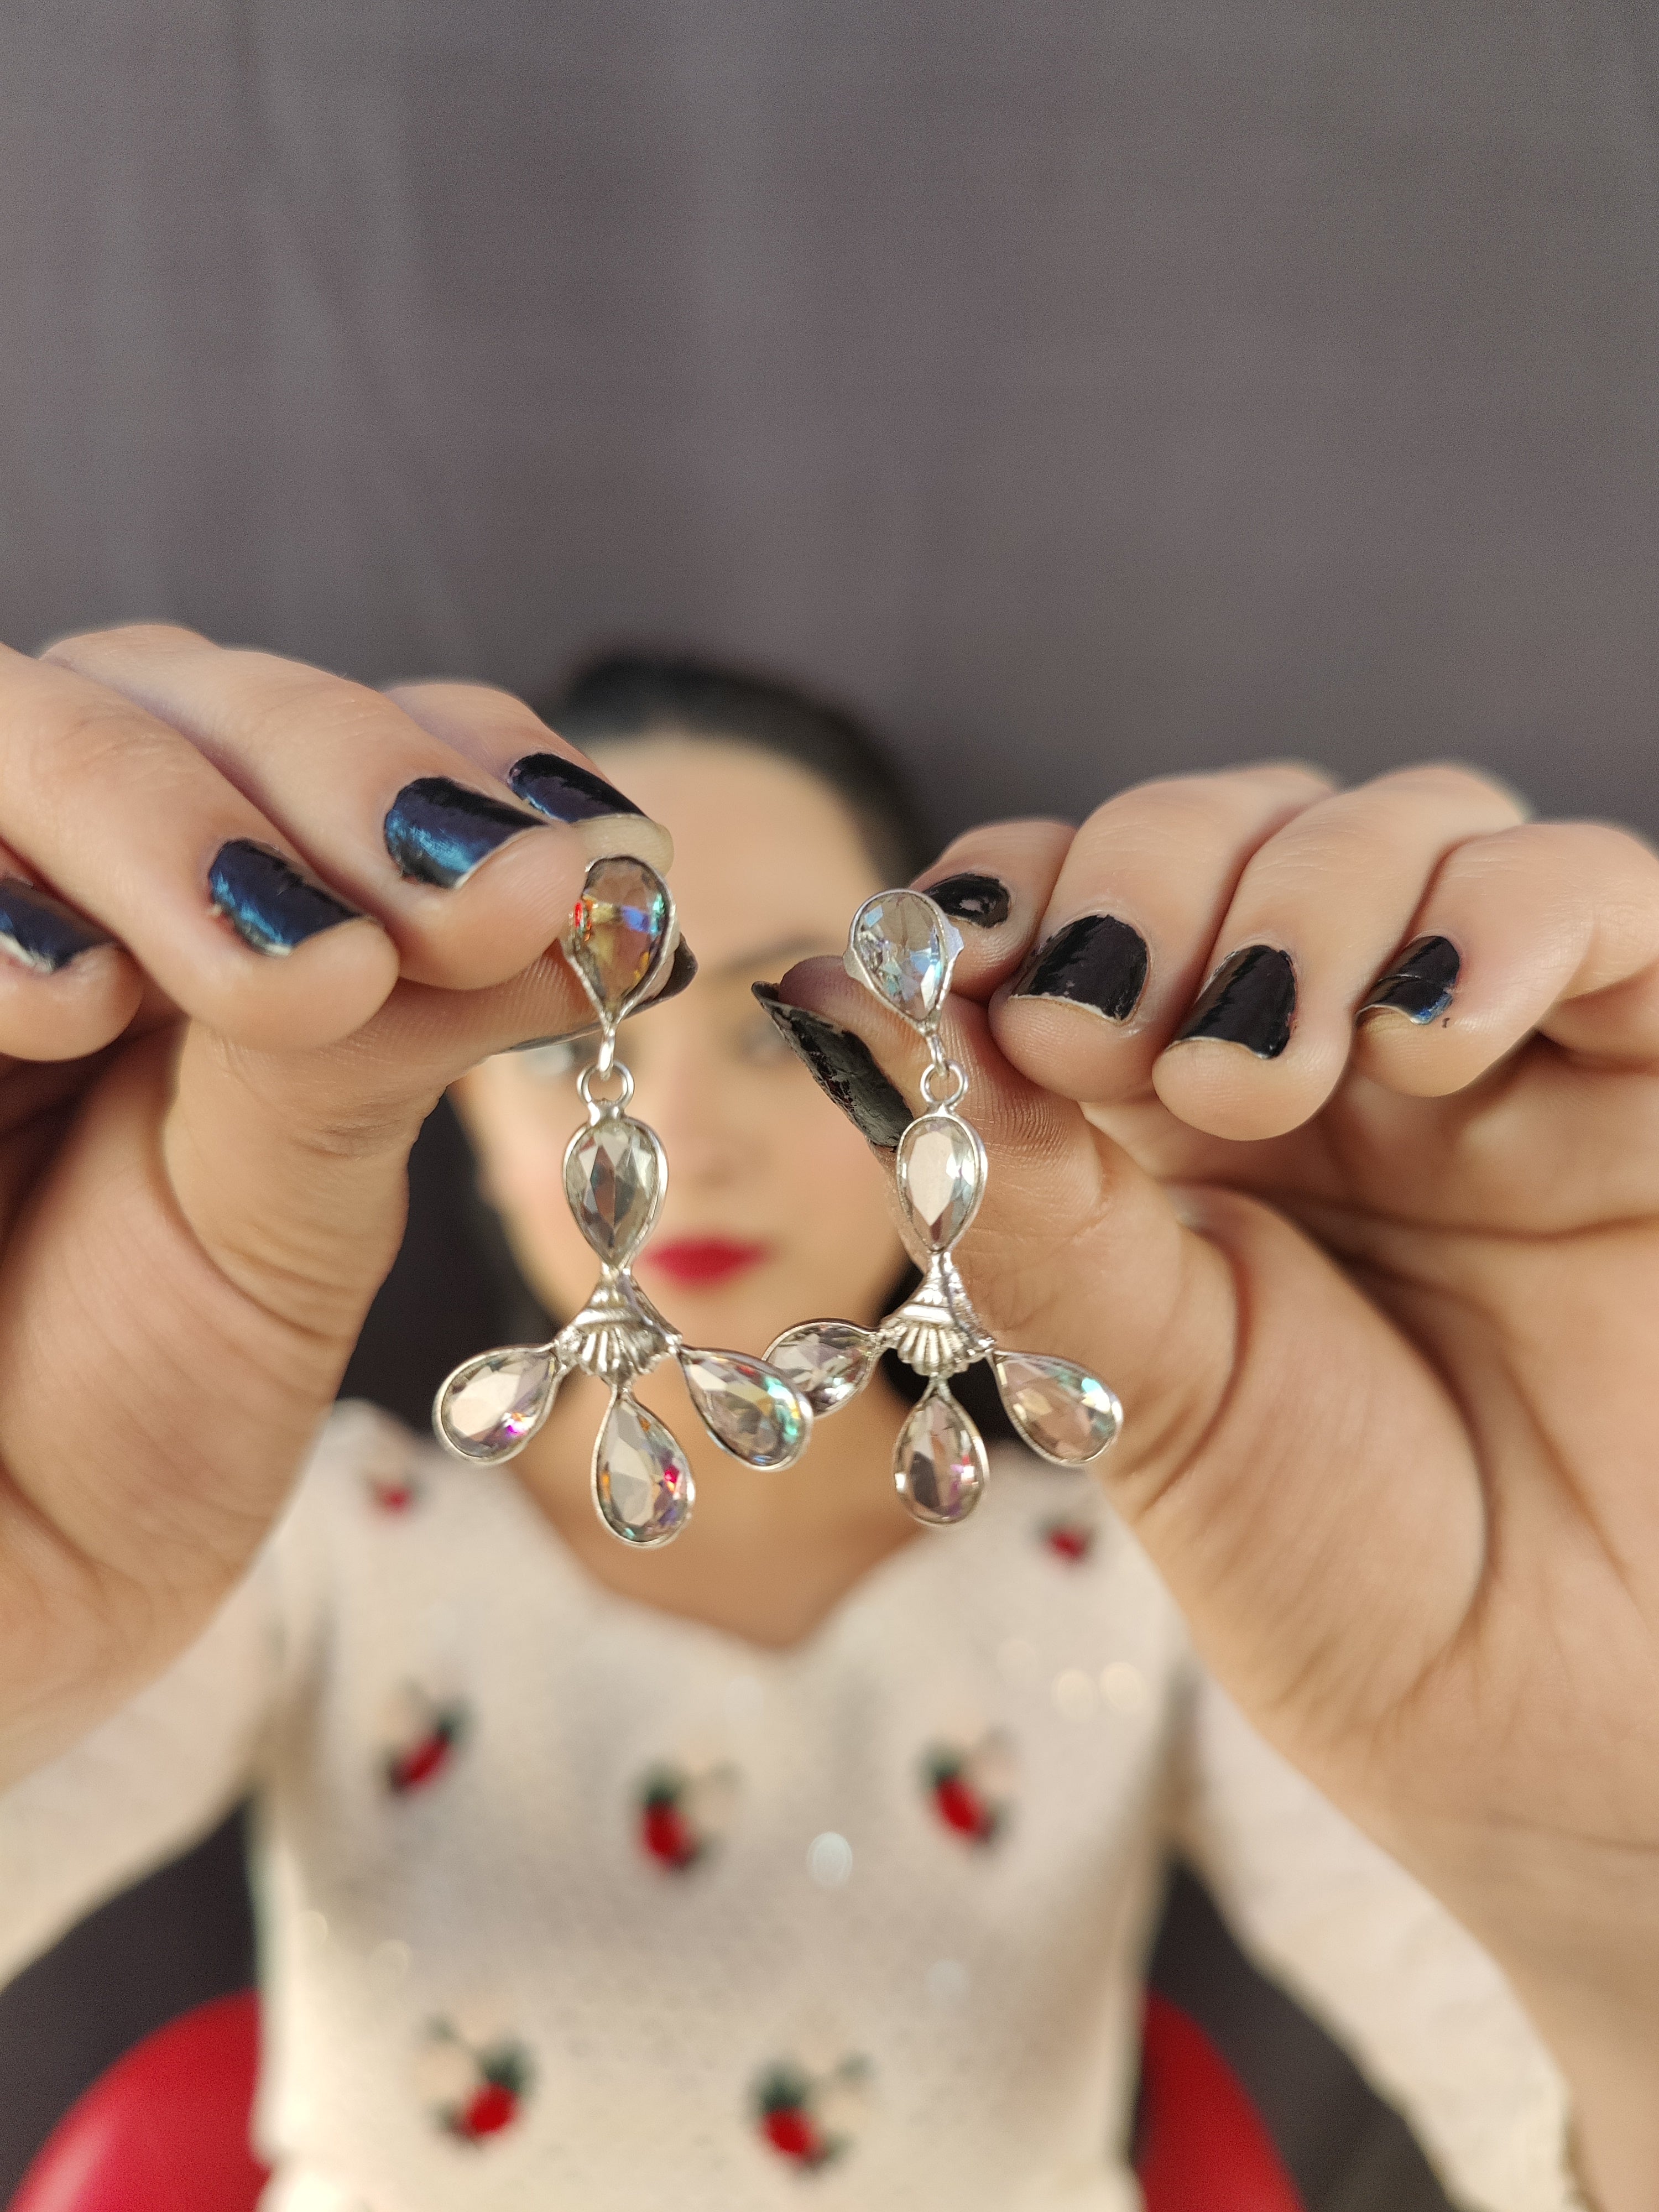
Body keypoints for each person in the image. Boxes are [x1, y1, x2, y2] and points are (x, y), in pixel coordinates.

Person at [0, 625, 1654, 2211]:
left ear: (933, 1058)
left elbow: (1540, 2123)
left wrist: (1612, 1895)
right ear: (463, 1114)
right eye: (574, 1043)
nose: (685, 1137)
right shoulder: (300, 1552)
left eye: (780, 1029)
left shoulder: (1155, 1570)